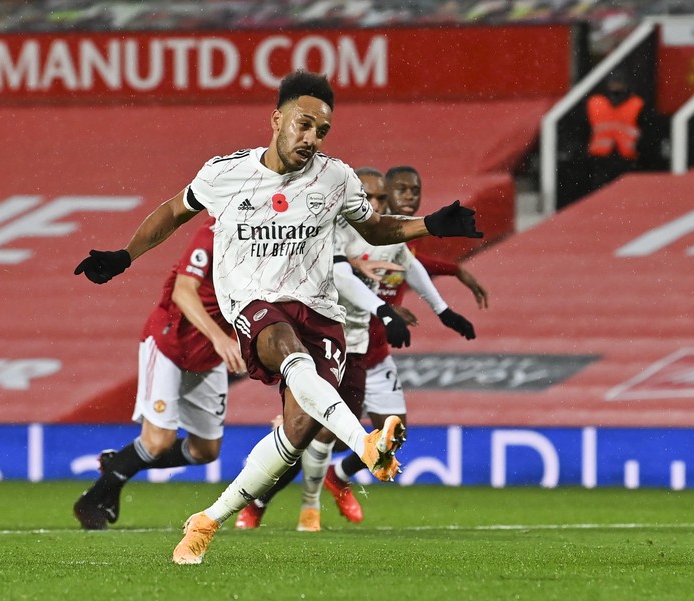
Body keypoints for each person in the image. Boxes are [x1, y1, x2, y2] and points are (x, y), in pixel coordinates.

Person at [73, 69, 482, 564]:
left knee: (297, 433)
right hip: (254, 305)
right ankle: (366, 444)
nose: (311, 138)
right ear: (277, 120)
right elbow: (171, 212)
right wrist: (124, 255)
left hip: (321, 312)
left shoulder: (337, 178)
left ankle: (208, 521)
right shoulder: (226, 173)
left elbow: (374, 229)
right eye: (303, 125)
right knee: (286, 349)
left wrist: (431, 225)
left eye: (322, 131)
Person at [233, 167, 476, 530]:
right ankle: (279, 503)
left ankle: (334, 478)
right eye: (372, 196)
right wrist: (386, 310)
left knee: (380, 432)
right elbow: (343, 276)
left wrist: (443, 310)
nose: (376, 203)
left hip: (364, 347)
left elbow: (410, 266)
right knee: (311, 432)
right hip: (326, 343)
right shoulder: (332, 228)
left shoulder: (391, 231)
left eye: (381, 198)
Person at [73, 216, 246, 530]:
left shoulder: (271, 242)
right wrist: (222, 338)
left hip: (207, 357)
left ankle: (119, 464)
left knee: (204, 451)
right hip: (170, 342)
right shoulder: (214, 233)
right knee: (158, 441)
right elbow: (183, 292)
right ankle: (92, 501)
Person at [384, 165, 489, 310]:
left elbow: (408, 259)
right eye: (401, 190)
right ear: (385, 192)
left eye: (415, 191)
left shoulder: (413, 230)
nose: (409, 197)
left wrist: (455, 270)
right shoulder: (369, 228)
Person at [585, 71, 645, 191]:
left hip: (625, 161)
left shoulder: (637, 104)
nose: (616, 87)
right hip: (601, 162)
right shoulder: (595, 103)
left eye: (619, 83)